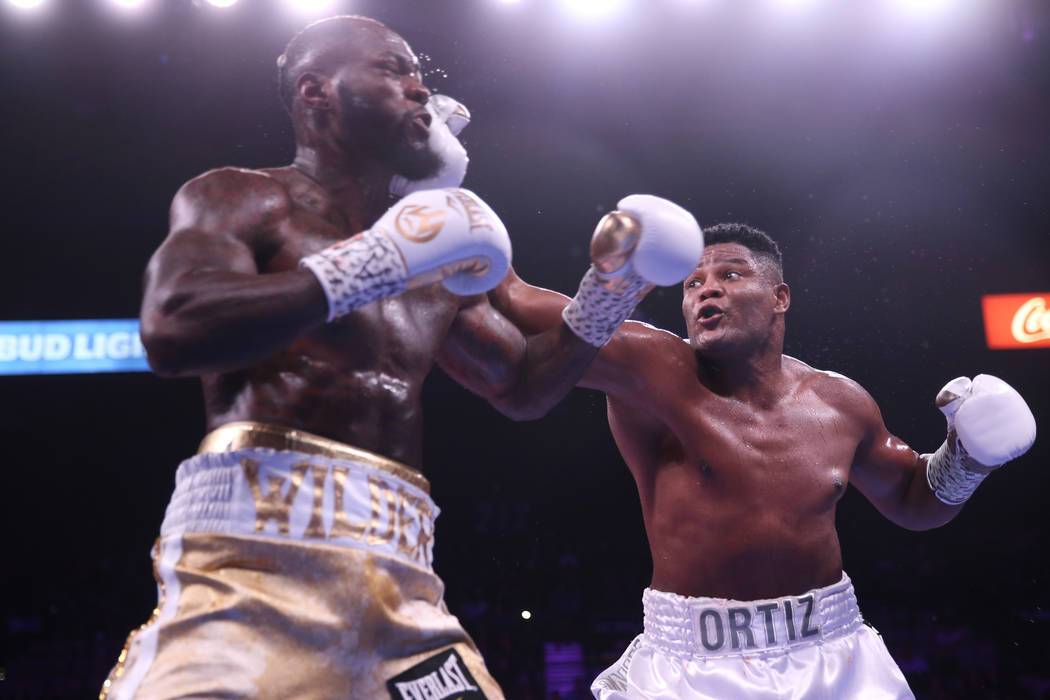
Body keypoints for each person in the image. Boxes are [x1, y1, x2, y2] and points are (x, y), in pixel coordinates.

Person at [99, 14, 704, 700]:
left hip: (402, 577)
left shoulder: (435, 249)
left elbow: (520, 386)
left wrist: (614, 286)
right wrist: (372, 265)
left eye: (419, 74)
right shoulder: (243, 196)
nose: (419, 89)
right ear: (316, 92)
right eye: (392, 70)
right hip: (252, 564)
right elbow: (172, 328)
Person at [491, 222, 1036, 699]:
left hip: (834, 655)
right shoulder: (649, 368)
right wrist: (435, 203)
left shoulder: (840, 402)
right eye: (692, 283)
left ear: (779, 297)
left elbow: (913, 499)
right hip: (691, 669)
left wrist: (966, 461)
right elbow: (519, 306)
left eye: (729, 275)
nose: (706, 290)